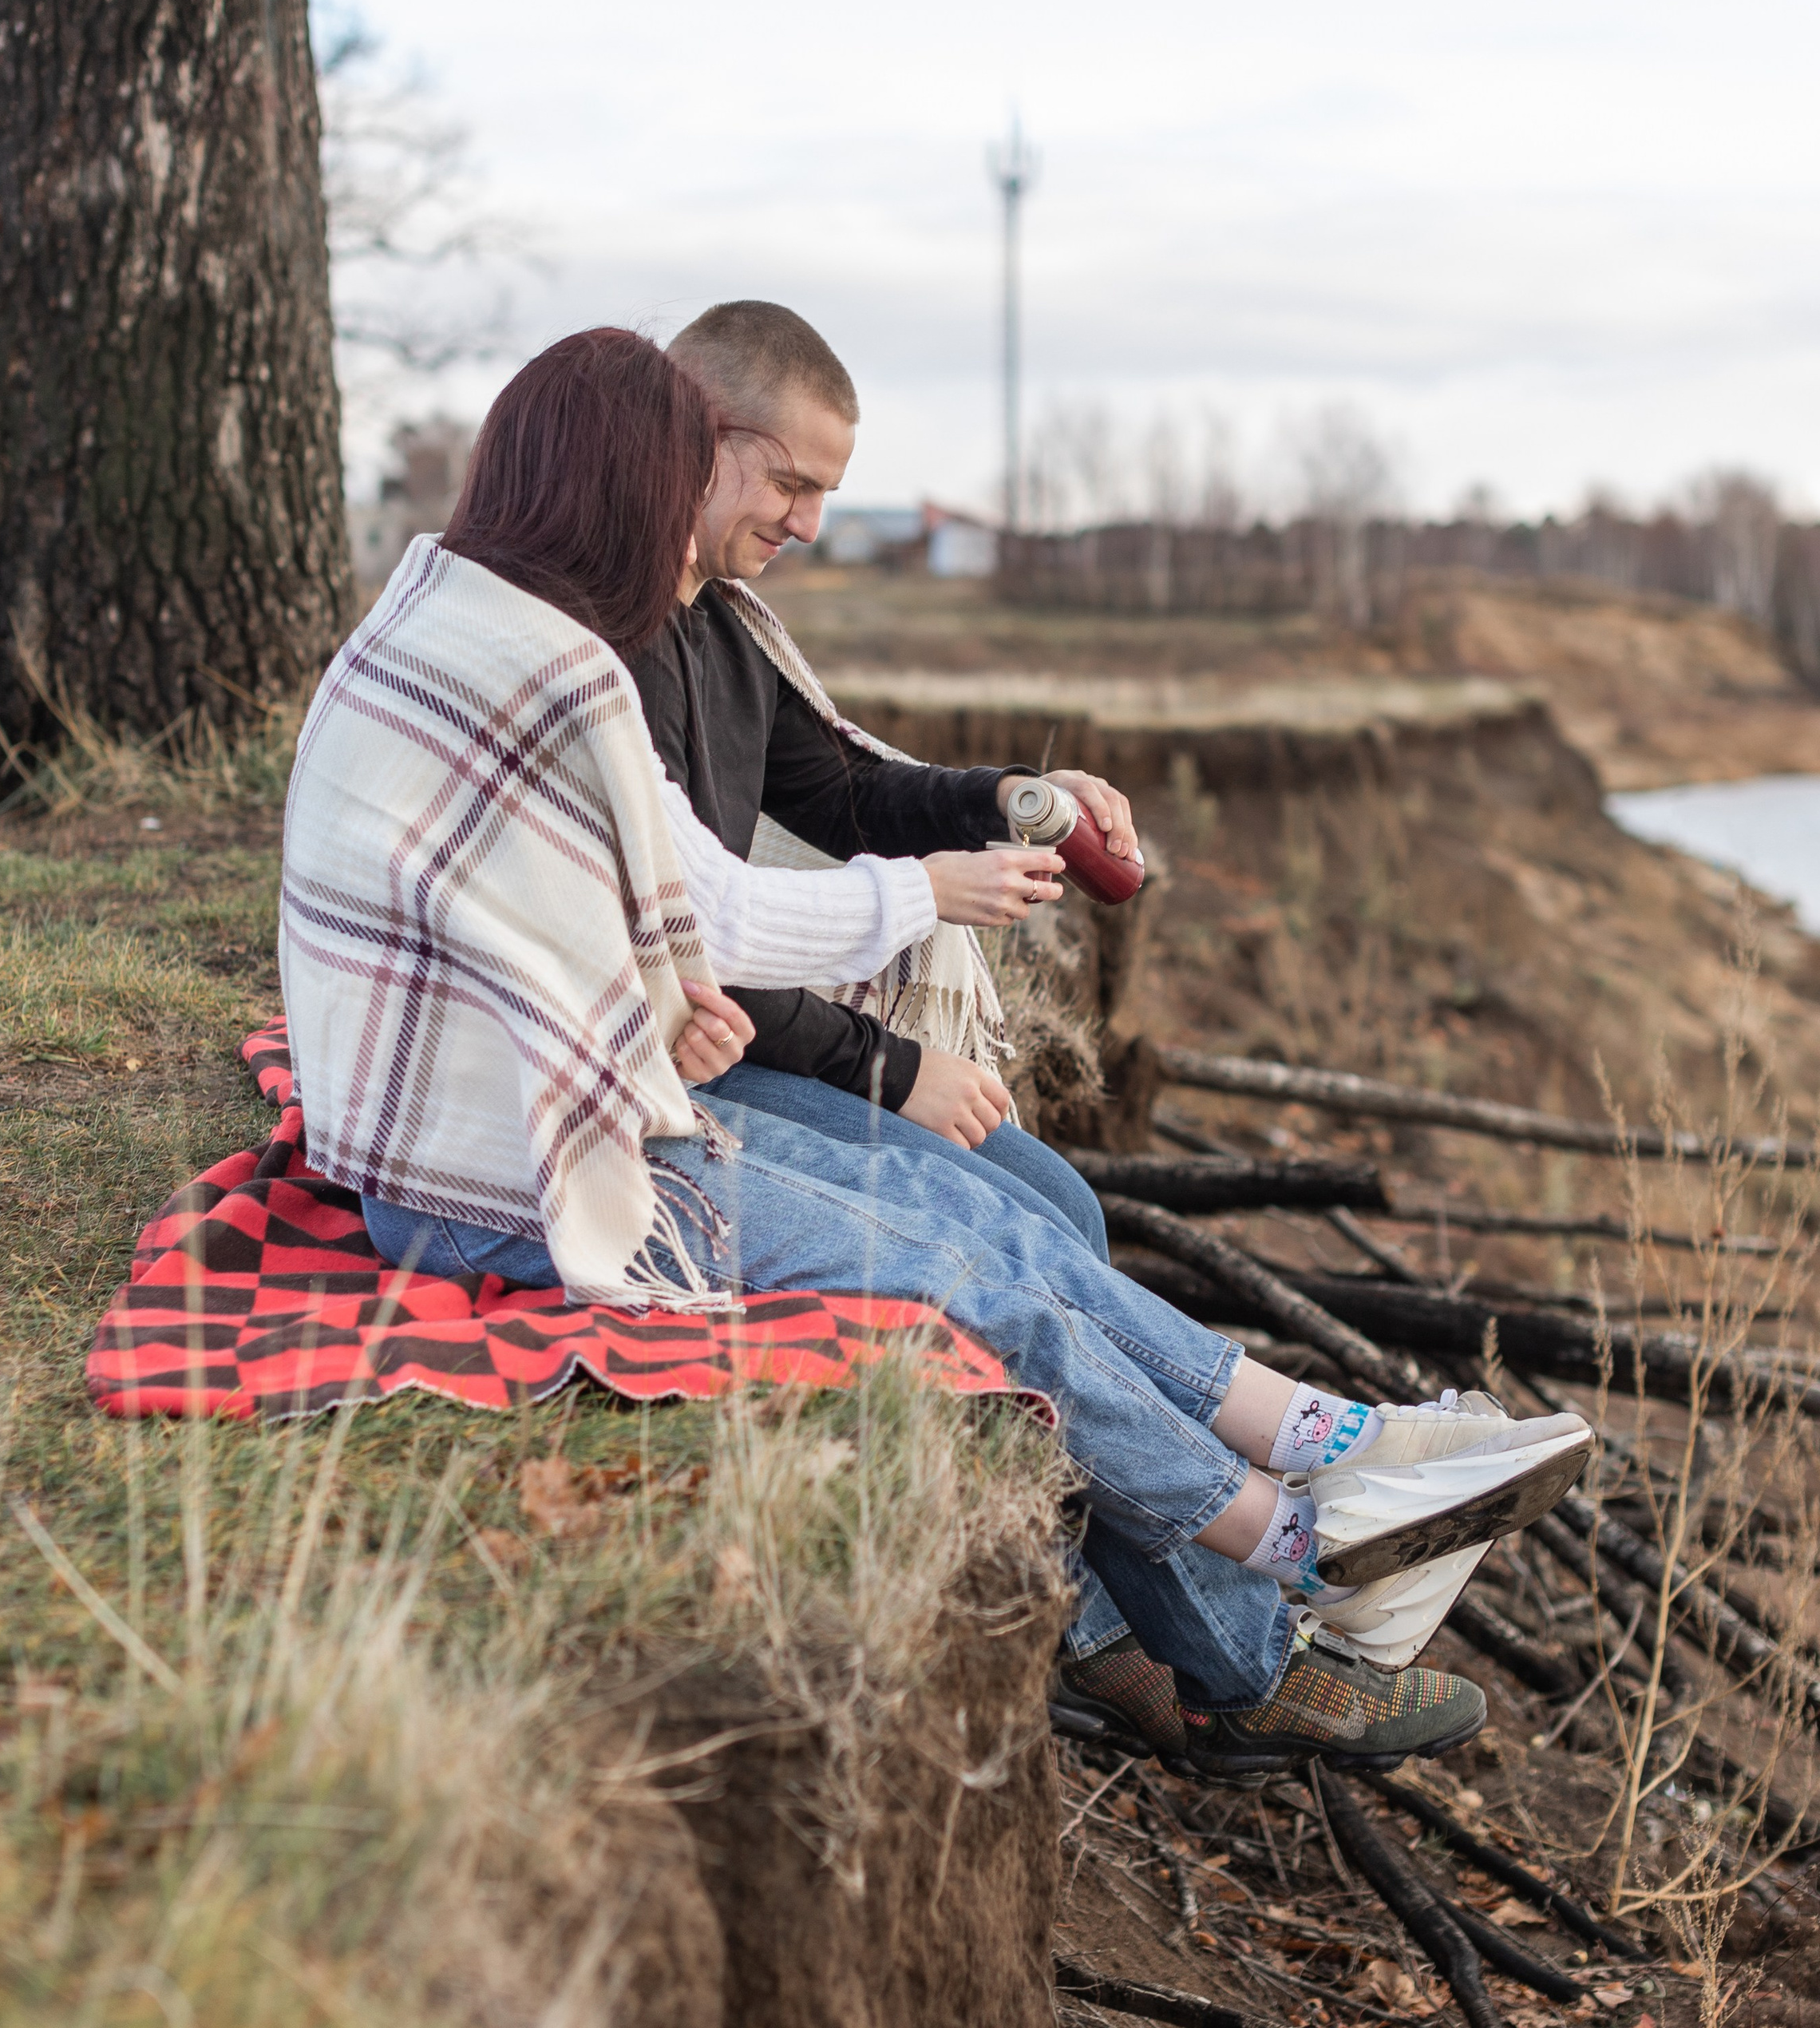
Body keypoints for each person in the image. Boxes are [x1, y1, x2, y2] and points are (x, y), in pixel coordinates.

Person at [278, 330, 1592, 1776]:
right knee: (973, 1280)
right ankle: (1302, 1535)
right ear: (651, 467)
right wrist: (920, 915)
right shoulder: (571, 667)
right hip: (511, 1171)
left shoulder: (445, 611)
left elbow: (686, 876)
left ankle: (1327, 1463)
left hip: (496, 1117)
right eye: (750, 483)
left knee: (1000, 1224)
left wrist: (980, 818)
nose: (785, 527)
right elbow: (708, 909)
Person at [629, 298, 1126, 1261]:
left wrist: (1015, 799)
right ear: (695, 433)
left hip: (735, 1027)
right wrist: (894, 1071)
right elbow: (690, 940)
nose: (810, 525)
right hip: (677, 1052)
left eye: (824, 491)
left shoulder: (725, 630)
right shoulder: (614, 653)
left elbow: (849, 792)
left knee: (1066, 1200)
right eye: (789, 483)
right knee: (1021, 1229)